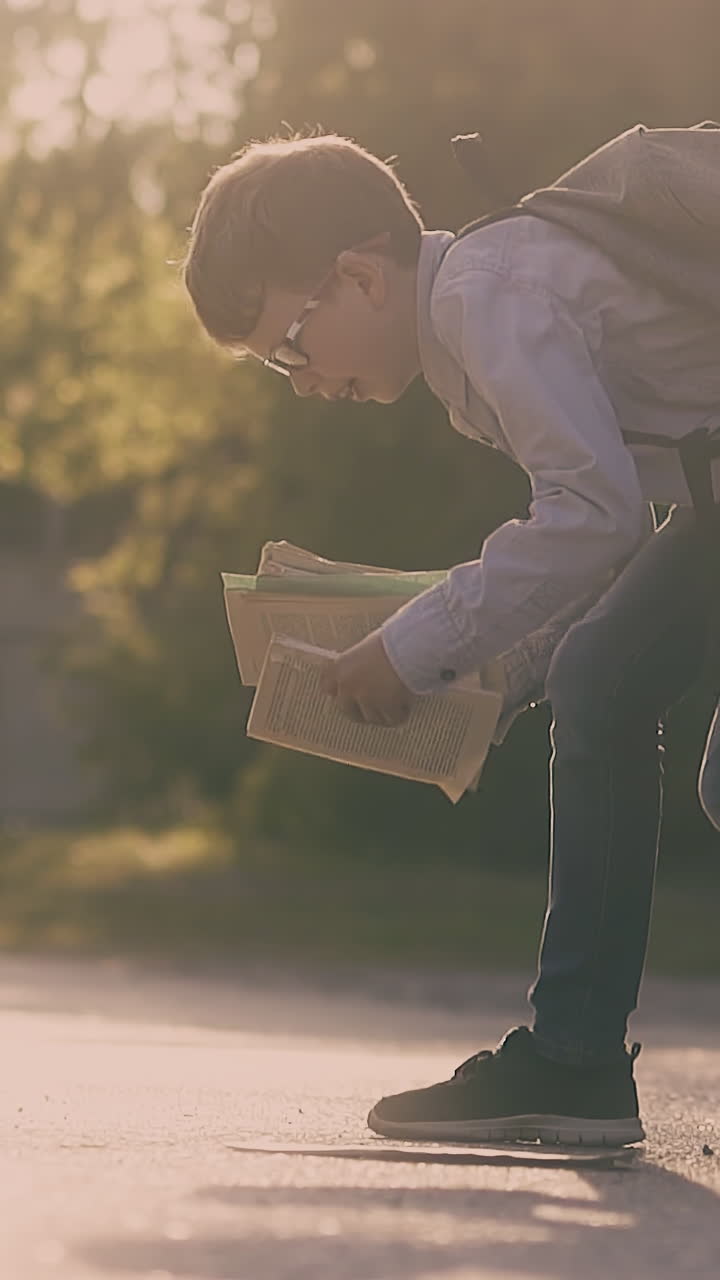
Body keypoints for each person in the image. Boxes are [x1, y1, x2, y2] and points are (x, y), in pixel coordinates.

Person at [182, 130, 720, 1147]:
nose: (299, 380)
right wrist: (490, 675)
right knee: (600, 677)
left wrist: (412, 644)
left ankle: (574, 1057)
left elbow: (589, 515)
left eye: (290, 345)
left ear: (358, 278)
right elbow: (608, 525)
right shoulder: (475, 317)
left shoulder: (484, 296)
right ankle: (574, 1063)